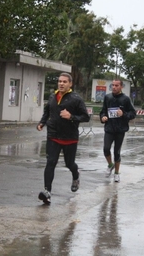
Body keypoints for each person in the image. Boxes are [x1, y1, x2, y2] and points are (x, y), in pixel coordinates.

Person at [36, 72, 90, 204]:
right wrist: (42, 122)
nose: (61, 83)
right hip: (53, 135)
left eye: (64, 82)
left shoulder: (76, 99)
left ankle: (76, 176)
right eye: (59, 81)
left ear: (70, 84)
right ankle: (47, 192)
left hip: (70, 137)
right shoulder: (52, 96)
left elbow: (86, 117)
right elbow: (47, 111)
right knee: (50, 162)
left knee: (69, 164)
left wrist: (71, 116)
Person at [99, 78, 136, 183]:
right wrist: (103, 117)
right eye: (113, 85)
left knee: (117, 152)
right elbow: (103, 111)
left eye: (116, 85)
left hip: (120, 129)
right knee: (106, 149)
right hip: (109, 128)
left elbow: (133, 114)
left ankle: (116, 173)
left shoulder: (126, 99)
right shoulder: (107, 97)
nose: (114, 87)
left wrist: (123, 114)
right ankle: (110, 165)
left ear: (121, 87)